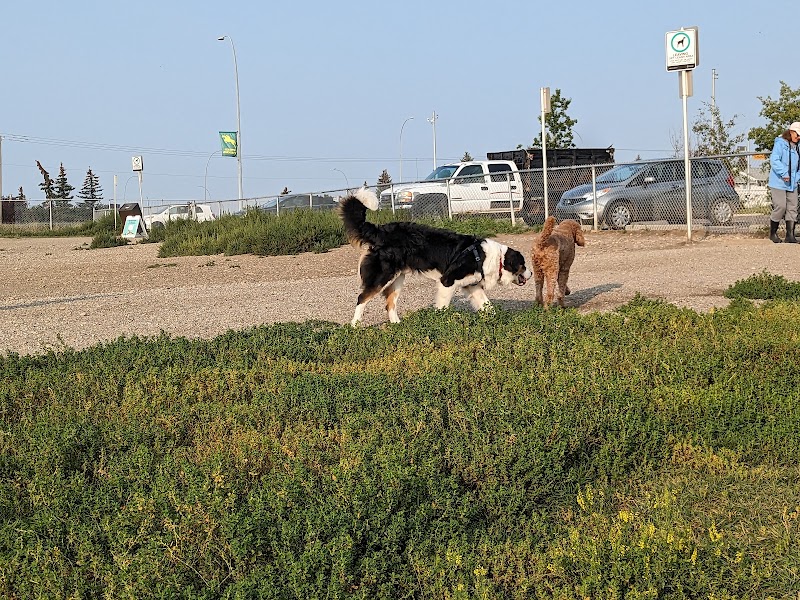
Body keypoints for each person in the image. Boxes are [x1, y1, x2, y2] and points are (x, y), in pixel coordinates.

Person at [768, 122, 800, 243]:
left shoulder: (797, 146)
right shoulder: (780, 144)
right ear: (791, 132)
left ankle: (790, 236)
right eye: (797, 135)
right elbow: (775, 160)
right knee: (780, 206)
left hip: (793, 183)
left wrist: (796, 178)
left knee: (793, 208)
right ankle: (773, 233)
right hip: (778, 182)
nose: (798, 137)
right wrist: (784, 173)